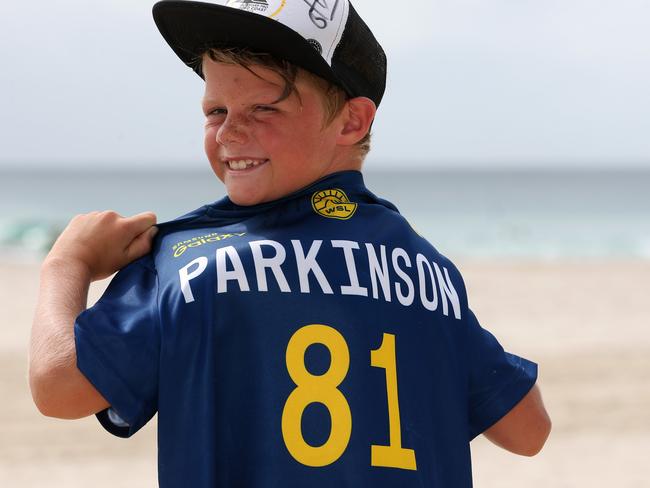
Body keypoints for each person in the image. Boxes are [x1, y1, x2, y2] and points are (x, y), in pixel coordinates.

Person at [29, 1, 551, 486]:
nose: (230, 132)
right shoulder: (426, 271)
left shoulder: (185, 264)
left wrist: (66, 263)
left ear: (353, 120)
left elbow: (57, 387)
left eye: (263, 108)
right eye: (215, 112)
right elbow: (530, 432)